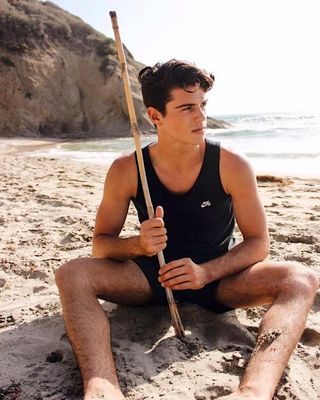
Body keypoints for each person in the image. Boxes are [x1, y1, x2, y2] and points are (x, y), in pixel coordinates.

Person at [55, 59, 319, 400]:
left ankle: (254, 391)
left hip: (218, 279)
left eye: (203, 106)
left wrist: (206, 272)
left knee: (300, 279)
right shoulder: (126, 169)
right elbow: (101, 246)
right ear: (155, 116)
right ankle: (102, 387)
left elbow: (258, 243)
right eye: (186, 108)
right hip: (151, 278)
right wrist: (139, 245)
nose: (201, 116)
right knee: (72, 274)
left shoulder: (231, 164)